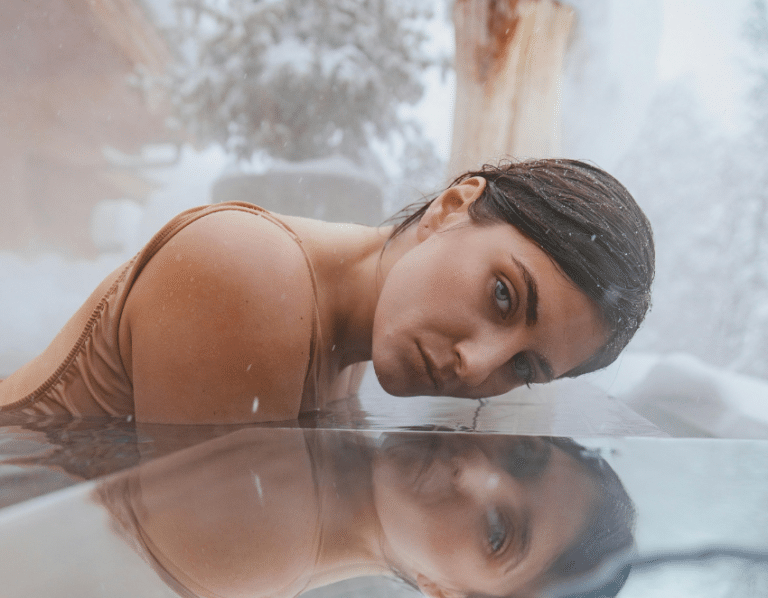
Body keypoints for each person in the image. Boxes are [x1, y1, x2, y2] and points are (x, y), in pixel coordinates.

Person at [0, 158, 654, 424]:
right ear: (453, 205)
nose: (478, 364)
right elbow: (226, 572)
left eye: (522, 366)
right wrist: (430, 563)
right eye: (504, 296)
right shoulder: (250, 269)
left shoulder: (343, 357)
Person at [98, 429, 636, 598]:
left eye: (497, 533)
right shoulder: (332, 435)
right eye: (520, 453)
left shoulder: (261, 535)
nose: (474, 470)